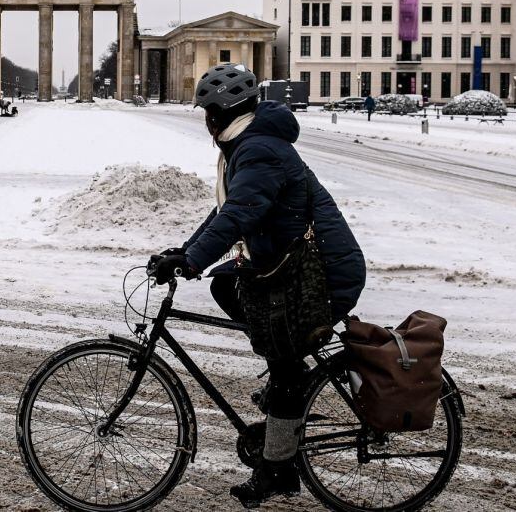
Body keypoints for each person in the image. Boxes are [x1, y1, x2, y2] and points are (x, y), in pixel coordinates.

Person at [149, 63, 365, 508]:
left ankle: (278, 469)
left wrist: (192, 259)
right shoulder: (248, 145)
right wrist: (185, 251)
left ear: (218, 113)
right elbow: (227, 211)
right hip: (292, 268)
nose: (206, 123)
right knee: (225, 285)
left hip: (321, 275)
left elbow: (241, 214)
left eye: (207, 112)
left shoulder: (259, 149)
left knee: (285, 370)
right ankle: (290, 375)